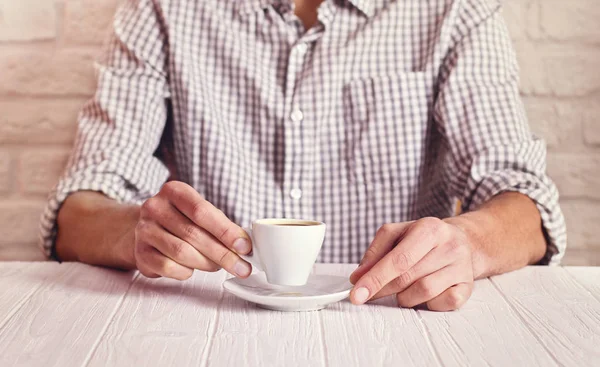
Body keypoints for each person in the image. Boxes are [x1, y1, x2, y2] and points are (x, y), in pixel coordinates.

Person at [41, 0, 566, 311]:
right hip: (208, 329)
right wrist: (135, 230)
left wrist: (468, 243)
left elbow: (526, 206)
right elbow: (77, 211)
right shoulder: (163, 9)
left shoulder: (454, 10)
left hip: (391, 327)